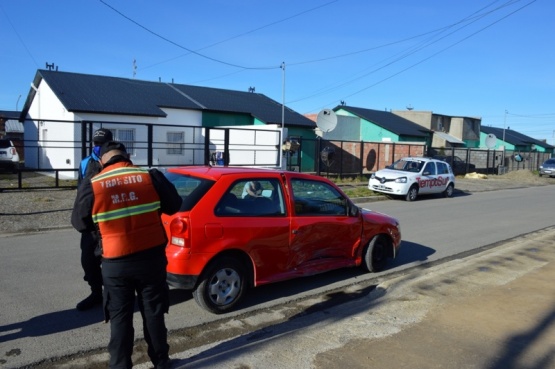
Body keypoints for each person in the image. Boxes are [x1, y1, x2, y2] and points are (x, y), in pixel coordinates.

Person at [71, 141, 182, 369]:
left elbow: (79, 223)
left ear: (101, 160)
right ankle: (161, 362)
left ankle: (120, 366)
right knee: (153, 313)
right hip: (151, 259)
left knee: (120, 318)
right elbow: (174, 205)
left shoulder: (94, 184)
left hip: (115, 262)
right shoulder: (150, 176)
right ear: (127, 155)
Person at [76, 128, 113, 311]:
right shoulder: (85, 164)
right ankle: (96, 293)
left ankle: (113, 294)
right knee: (88, 260)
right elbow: (81, 192)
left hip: (109, 220)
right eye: (95, 143)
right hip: (91, 222)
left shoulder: (115, 162)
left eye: (102, 143)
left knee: (111, 260)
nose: (98, 147)